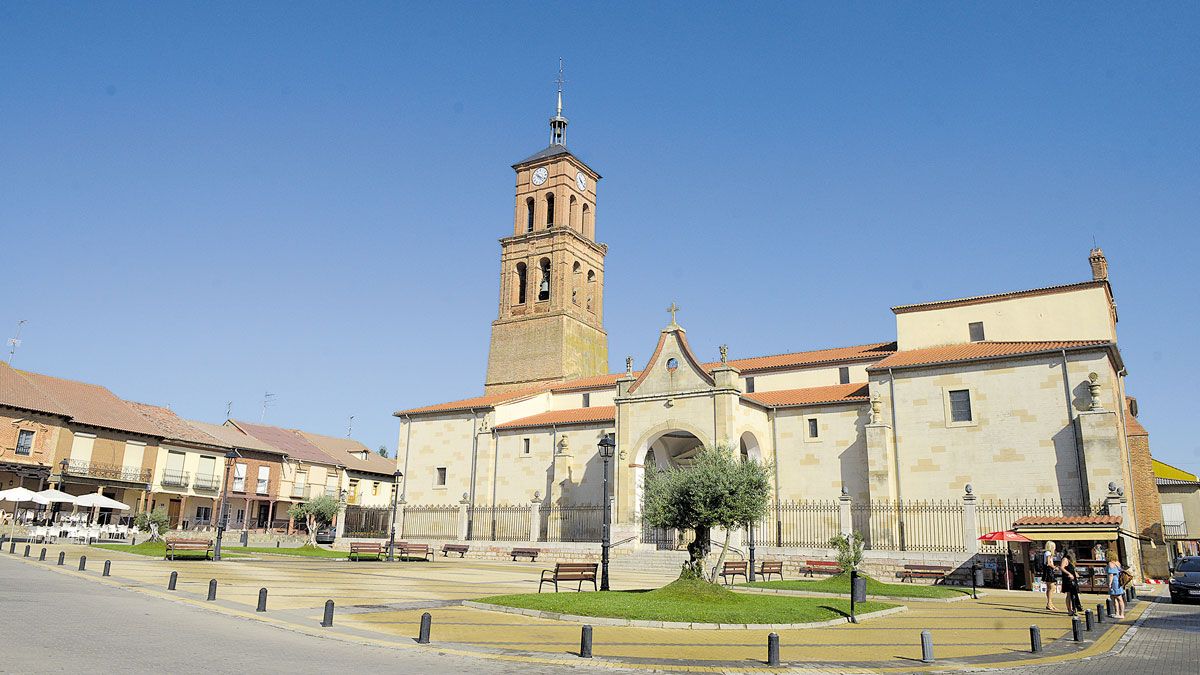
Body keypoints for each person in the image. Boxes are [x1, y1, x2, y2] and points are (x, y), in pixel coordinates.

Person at [1060, 551, 1082, 616]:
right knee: (1070, 595)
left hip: (1072, 579)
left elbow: (1072, 569)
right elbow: (1062, 567)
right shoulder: (1065, 559)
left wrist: (1075, 574)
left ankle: (1074, 609)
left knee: (1073, 594)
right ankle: (1070, 610)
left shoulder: (1070, 561)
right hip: (1068, 579)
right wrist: (1069, 574)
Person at [1107, 552, 1127, 619]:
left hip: (1114, 582)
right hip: (1119, 582)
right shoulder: (1117, 563)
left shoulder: (1110, 564)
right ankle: (1118, 613)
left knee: (1118, 598)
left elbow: (1111, 575)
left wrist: (1109, 584)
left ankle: (1120, 614)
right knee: (1115, 597)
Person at [1041, 542, 1059, 611]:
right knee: (1052, 587)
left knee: (1049, 588)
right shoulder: (1048, 553)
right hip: (1049, 570)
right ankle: (1049, 603)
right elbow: (1048, 563)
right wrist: (1054, 567)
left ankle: (1050, 603)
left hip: (1047, 570)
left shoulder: (1046, 553)